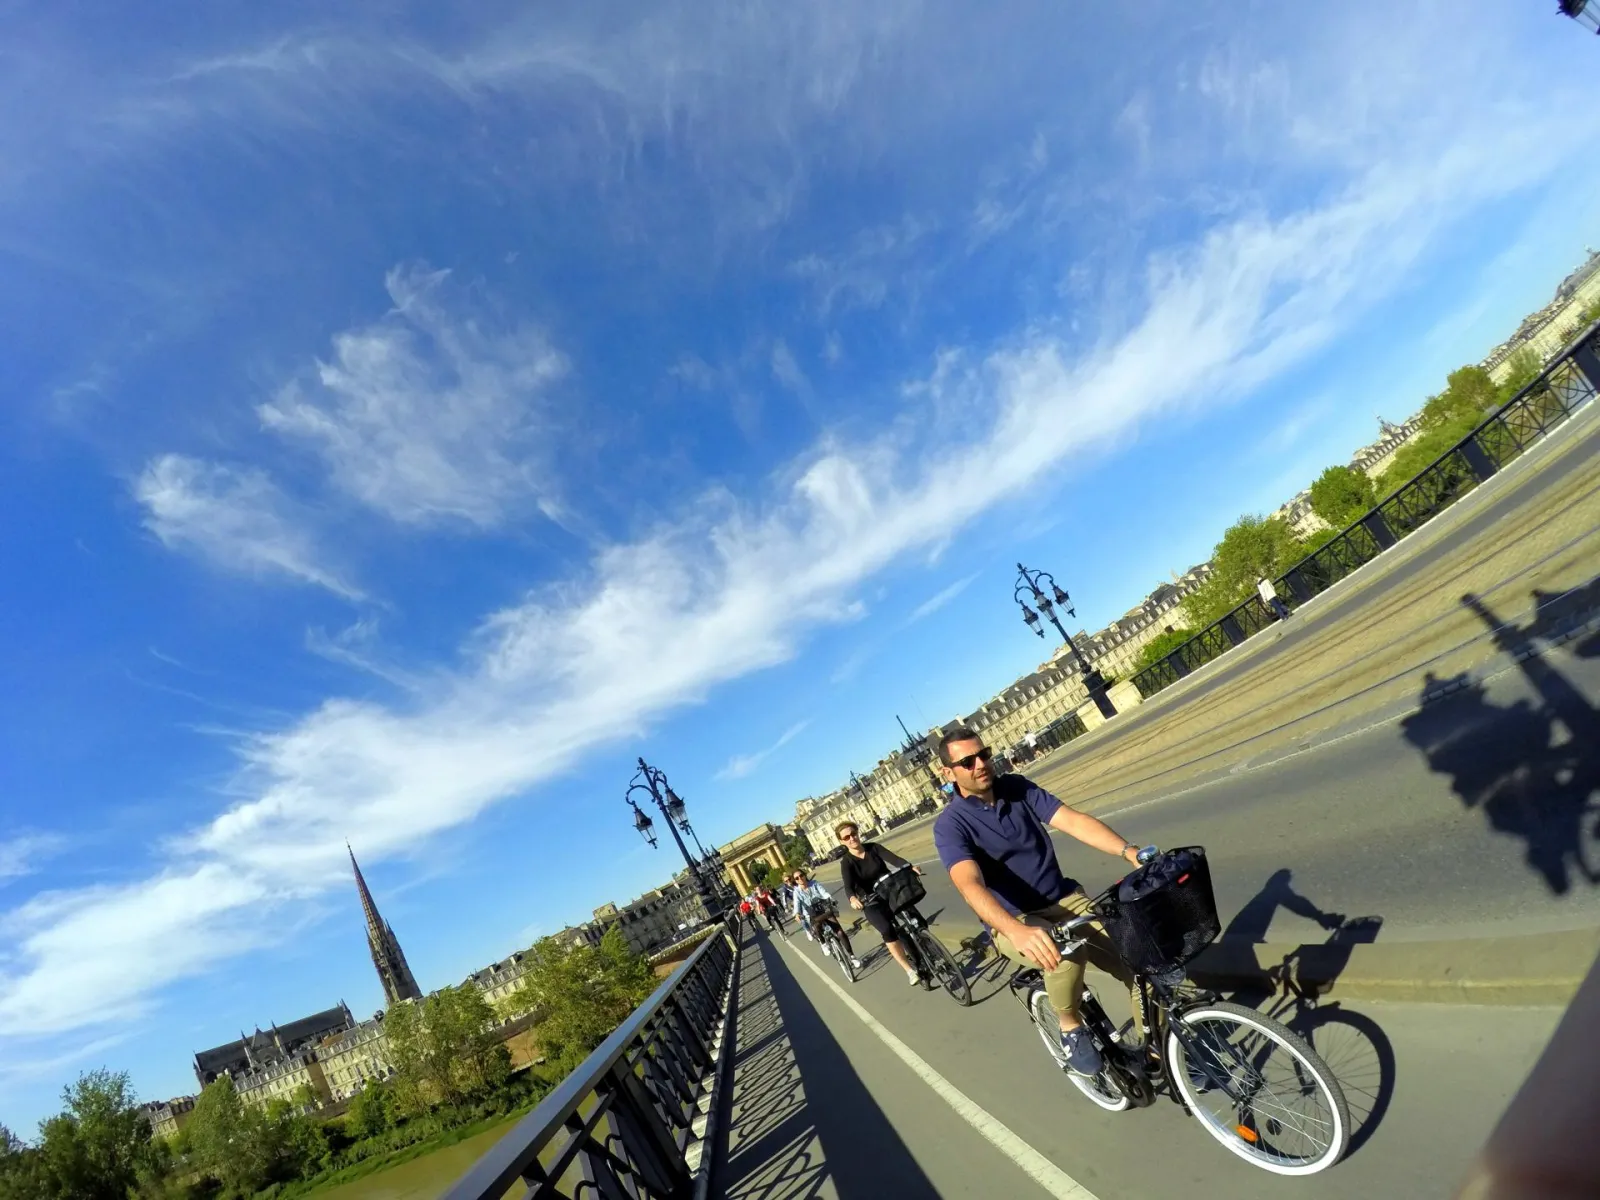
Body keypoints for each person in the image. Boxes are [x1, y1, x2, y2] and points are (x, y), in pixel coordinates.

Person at [933, 726, 1149, 1077]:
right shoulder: (950, 825)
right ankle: (1069, 1026)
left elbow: (1073, 821)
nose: (980, 764)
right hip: (1013, 920)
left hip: (1064, 899)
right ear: (948, 773)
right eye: (968, 761)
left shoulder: (1017, 788)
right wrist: (1014, 930)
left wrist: (1129, 851)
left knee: (1140, 961)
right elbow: (969, 884)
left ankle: (1159, 1052)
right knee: (1063, 954)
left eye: (984, 754)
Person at [836, 820, 924, 985]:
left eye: (853, 834)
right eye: (846, 837)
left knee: (914, 915)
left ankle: (926, 943)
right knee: (887, 930)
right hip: (871, 901)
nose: (851, 839)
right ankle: (909, 970)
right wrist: (853, 898)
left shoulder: (873, 847)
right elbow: (848, 886)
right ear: (842, 841)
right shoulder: (847, 862)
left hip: (890, 889)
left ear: (857, 833)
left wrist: (909, 867)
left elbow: (895, 860)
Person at [790, 869, 862, 970]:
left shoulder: (814, 883)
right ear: (795, 881)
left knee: (840, 932)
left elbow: (824, 893)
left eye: (801, 875)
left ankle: (852, 957)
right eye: (797, 878)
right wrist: (797, 914)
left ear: (805, 875)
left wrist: (830, 899)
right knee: (816, 926)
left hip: (823, 910)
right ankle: (823, 943)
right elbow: (797, 904)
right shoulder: (796, 892)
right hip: (811, 915)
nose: (800, 878)